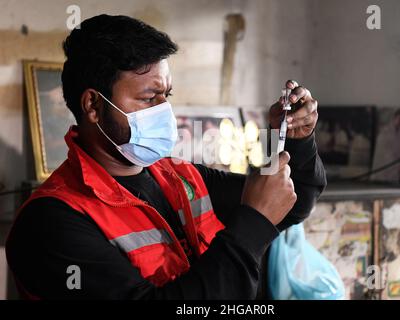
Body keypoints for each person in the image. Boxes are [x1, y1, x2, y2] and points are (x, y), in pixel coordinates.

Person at [6, 14, 326, 300]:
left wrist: (294, 140)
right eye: (149, 98)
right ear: (93, 105)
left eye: (166, 96)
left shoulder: (180, 177)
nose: (164, 111)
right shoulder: (52, 222)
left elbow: (288, 204)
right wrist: (252, 225)